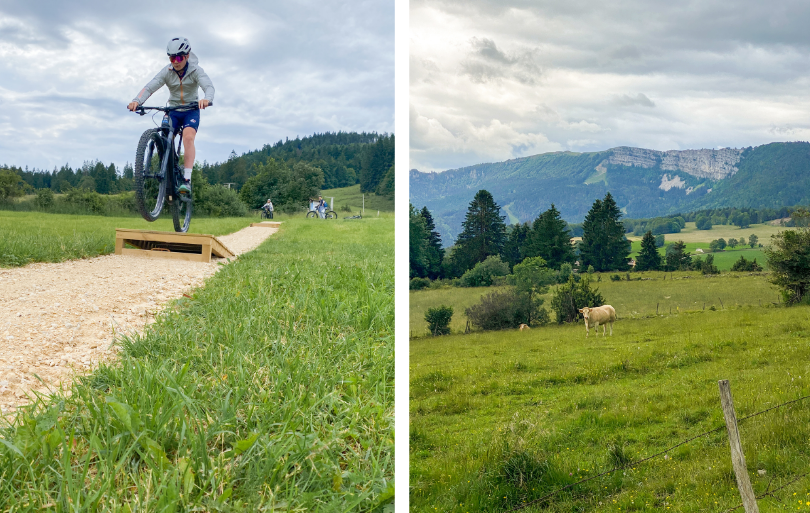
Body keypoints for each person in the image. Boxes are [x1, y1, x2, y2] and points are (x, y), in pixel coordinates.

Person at [127, 37, 215, 196]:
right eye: (172, 57)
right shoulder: (166, 71)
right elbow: (149, 87)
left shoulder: (196, 70)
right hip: (173, 110)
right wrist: (136, 101)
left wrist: (207, 99)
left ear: (187, 56)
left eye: (179, 57)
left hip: (191, 110)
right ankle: (168, 167)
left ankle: (186, 180)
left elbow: (208, 86)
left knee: (188, 137)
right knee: (165, 138)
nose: (175, 61)